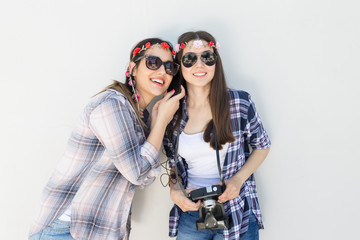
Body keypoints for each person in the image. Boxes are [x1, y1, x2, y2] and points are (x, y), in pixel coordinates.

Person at [29, 37, 185, 240]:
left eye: (170, 67)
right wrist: (162, 121)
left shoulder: (138, 116)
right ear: (133, 69)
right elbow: (138, 173)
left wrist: (155, 124)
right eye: (153, 62)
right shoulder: (112, 105)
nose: (162, 71)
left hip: (97, 232)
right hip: (67, 230)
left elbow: (144, 177)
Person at [163, 31, 271, 240]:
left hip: (237, 209)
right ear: (180, 65)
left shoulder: (239, 102)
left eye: (207, 57)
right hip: (192, 211)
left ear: (216, 62)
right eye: (189, 59)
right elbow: (173, 164)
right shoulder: (171, 111)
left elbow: (263, 145)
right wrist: (175, 192)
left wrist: (237, 181)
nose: (199, 65)